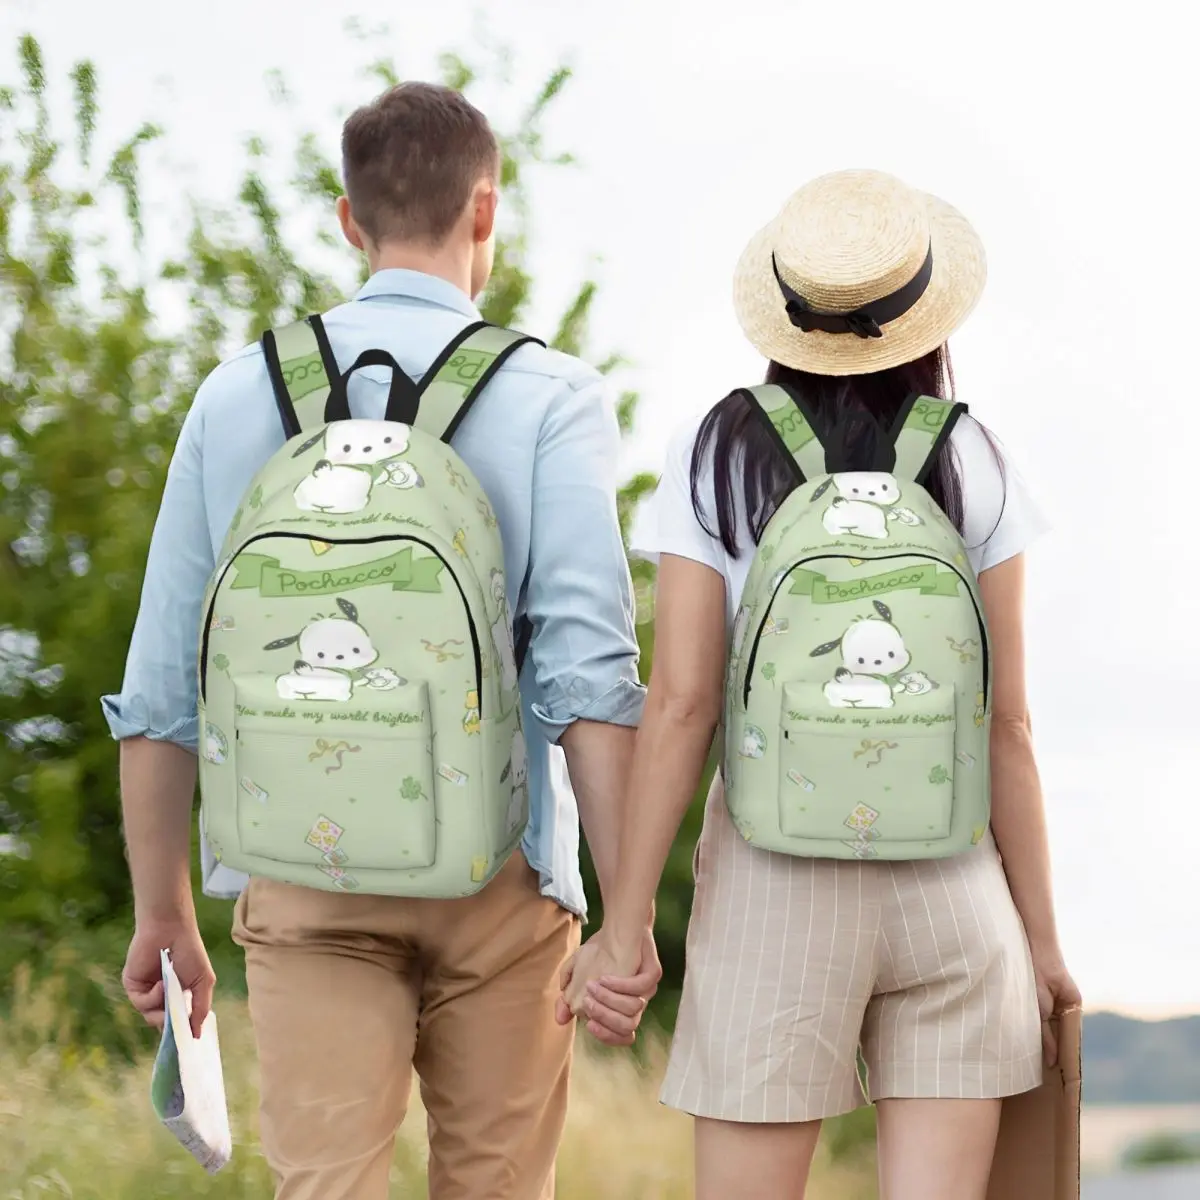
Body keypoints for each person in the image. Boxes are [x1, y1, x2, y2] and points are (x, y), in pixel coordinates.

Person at [104, 81, 661, 1200]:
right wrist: (627, 915)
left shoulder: (236, 395)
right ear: (486, 213)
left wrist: (162, 909)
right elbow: (588, 679)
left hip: (301, 871)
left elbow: (164, 682)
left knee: (325, 1185)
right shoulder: (550, 395)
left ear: (349, 219)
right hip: (502, 875)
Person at [560, 169, 1081, 1200]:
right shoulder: (975, 456)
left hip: (773, 883)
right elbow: (1008, 724)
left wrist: (624, 926)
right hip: (954, 887)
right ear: (925, 315)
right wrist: (1043, 943)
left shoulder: (717, 451)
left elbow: (682, 705)